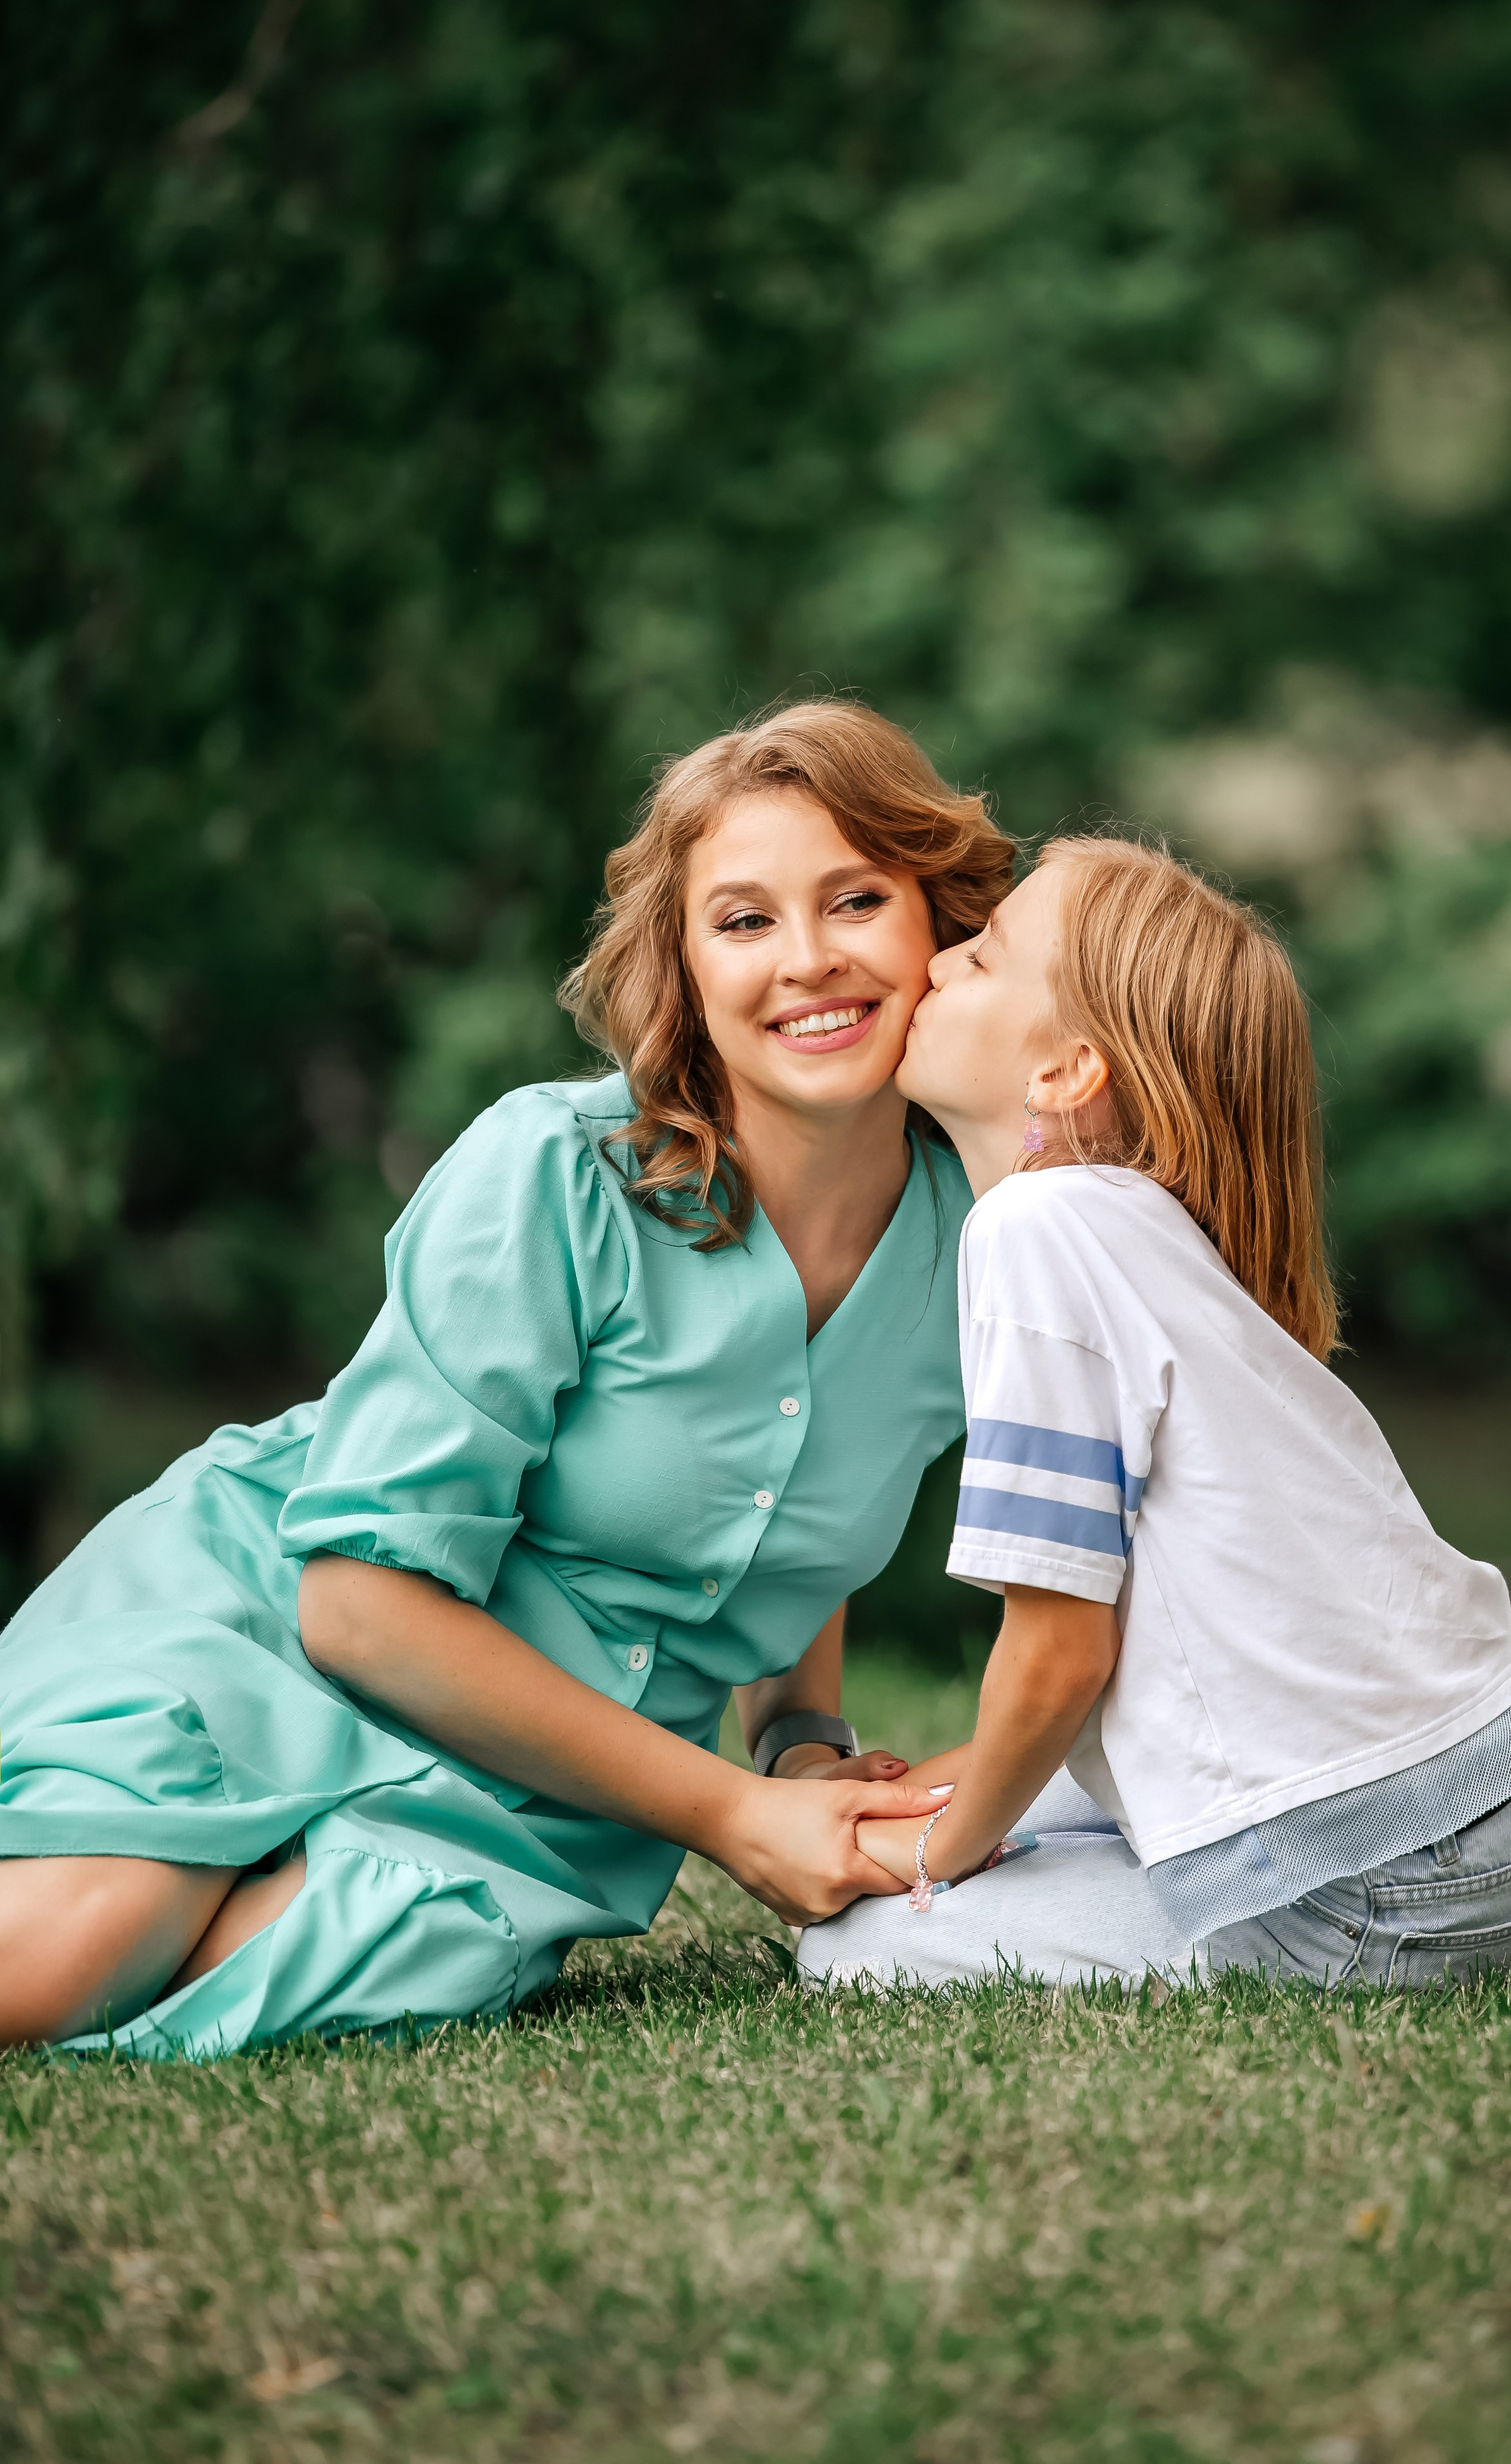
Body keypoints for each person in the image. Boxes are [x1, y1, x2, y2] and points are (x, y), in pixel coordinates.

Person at [0, 701, 1015, 2054]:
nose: (808, 960)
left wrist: (800, 1745)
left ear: (941, 920)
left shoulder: (990, 1238)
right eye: (743, 921)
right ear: (684, 969)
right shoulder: (556, 1172)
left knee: (263, 1977)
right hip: (273, 1630)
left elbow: (795, 1517)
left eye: (856, 900)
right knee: (58, 1962)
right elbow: (357, 1607)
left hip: (532, 1802)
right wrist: (732, 1815)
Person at [800, 839, 1511, 1994]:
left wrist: (937, 1852)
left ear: (1067, 1071)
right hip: (1464, 1768)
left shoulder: (1032, 1234)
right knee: (945, 1797)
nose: (936, 963)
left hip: (1363, 1897)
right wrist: (933, 1796)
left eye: (982, 957)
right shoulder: (1132, 1224)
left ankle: (1499, 1877)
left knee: (854, 1942)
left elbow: (1063, 1656)